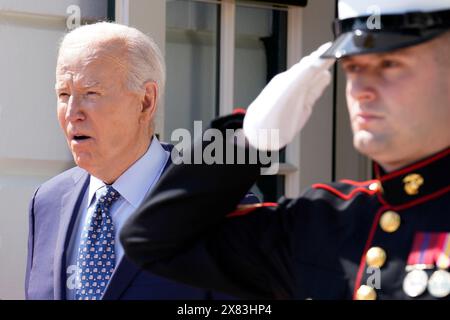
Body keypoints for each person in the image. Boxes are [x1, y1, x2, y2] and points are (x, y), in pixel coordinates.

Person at [120, 0, 450, 300]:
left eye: (389, 63)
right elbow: (153, 241)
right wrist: (247, 140)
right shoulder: (326, 221)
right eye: (353, 68)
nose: (361, 90)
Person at [25, 22, 255, 300]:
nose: (72, 113)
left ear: (146, 101)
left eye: (91, 93)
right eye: (64, 94)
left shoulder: (218, 202)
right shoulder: (47, 202)